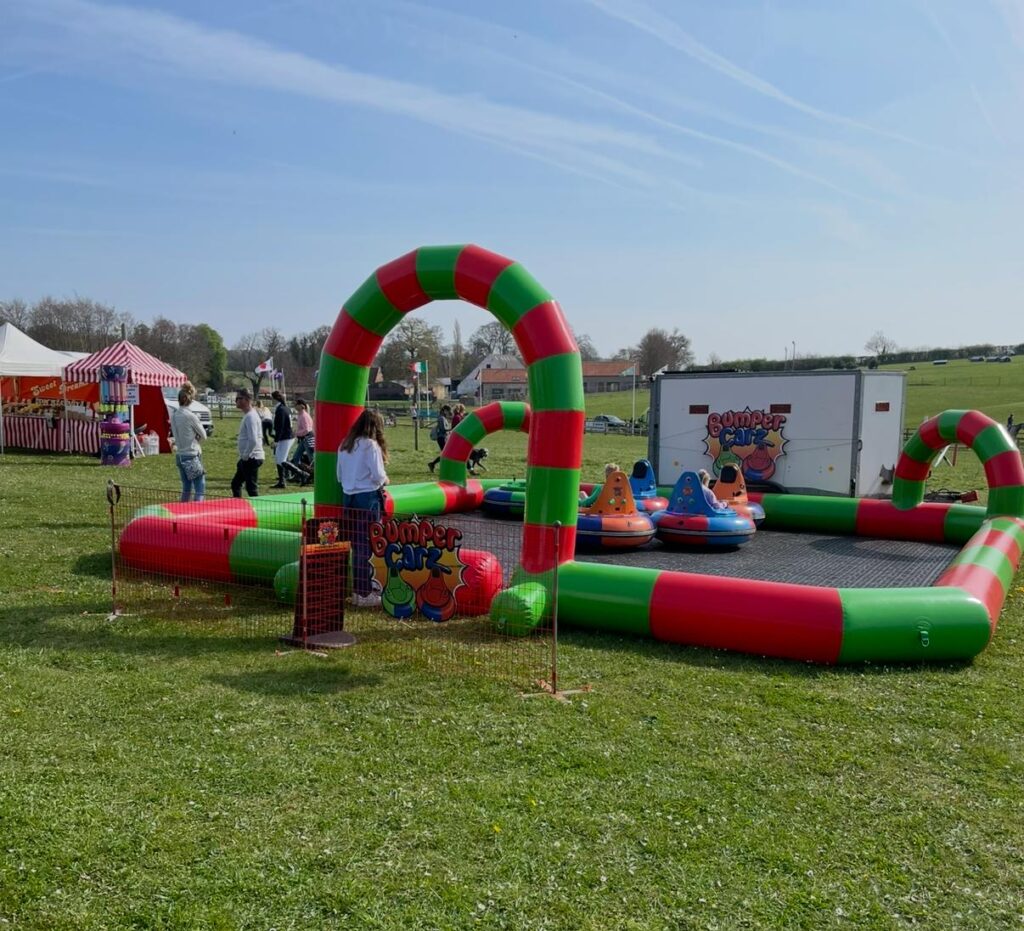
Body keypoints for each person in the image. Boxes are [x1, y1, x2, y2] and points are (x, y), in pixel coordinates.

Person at [337, 409, 390, 607]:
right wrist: (385, 479)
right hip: (367, 498)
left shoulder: (344, 444)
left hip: (348, 497)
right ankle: (364, 592)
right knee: (367, 545)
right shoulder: (370, 445)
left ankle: (360, 587)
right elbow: (377, 475)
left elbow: (339, 476)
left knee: (356, 544)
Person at [170, 382, 206, 502]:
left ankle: (182, 512)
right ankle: (198, 512)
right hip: (191, 455)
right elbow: (204, 435)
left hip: (180, 455)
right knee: (199, 486)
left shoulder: (174, 415)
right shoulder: (191, 416)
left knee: (186, 487)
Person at [231, 388, 265, 497]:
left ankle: (259, 512)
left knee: (251, 488)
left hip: (252, 457)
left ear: (247, 399)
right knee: (236, 484)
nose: (236, 401)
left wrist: (245, 455)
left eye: (238, 398)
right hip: (247, 457)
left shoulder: (251, 416)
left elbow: (253, 439)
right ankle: (238, 510)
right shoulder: (248, 416)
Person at [270, 390, 294, 488]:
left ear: (275, 399)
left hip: (285, 437)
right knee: (280, 459)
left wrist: (276, 441)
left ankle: (301, 474)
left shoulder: (280, 410)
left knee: (281, 460)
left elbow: (280, 427)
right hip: (286, 436)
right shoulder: (285, 408)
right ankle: (283, 479)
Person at [427, 404, 453, 472]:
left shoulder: (443, 417)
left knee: (445, 453)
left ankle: (433, 464)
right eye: (448, 411)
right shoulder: (441, 418)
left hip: (443, 437)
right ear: (445, 410)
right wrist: (451, 429)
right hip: (441, 438)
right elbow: (443, 429)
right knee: (446, 453)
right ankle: (434, 464)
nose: (448, 413)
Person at [291, 398, 314, 466]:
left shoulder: (304, 416)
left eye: (296, 404)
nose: (295, 406)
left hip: (307, 439)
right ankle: (298, 473)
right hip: (304, 439)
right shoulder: (300, 415)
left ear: (301, 406)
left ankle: (315, 474)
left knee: (311, 459)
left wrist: (296, 433)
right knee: (296, 457)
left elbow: (307, 429)